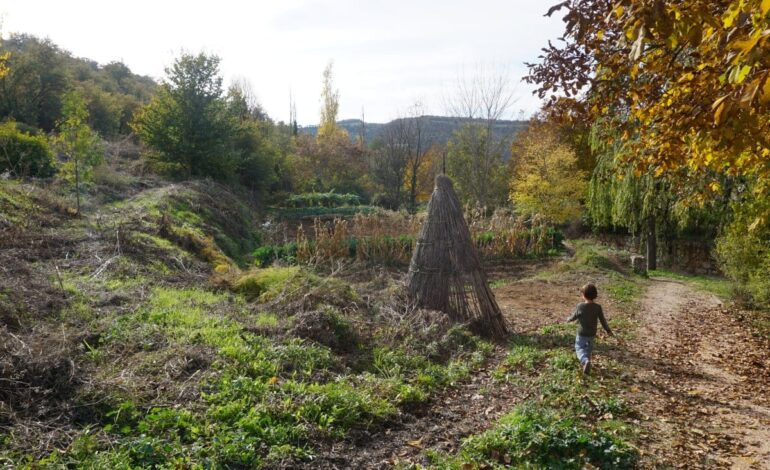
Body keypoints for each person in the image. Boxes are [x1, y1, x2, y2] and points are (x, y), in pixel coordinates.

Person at [566, 283, 614, 375]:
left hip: (582, 333)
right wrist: (608, 330)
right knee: (588, 349)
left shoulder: (580, 306)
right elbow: (603, 320)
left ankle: (584, 361)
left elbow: (574, 316)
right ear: (595, 295)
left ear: (583, 295)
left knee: (579, 347)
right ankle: (587, 363)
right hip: (592, 333)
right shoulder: (598, 307)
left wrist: (569, 319)